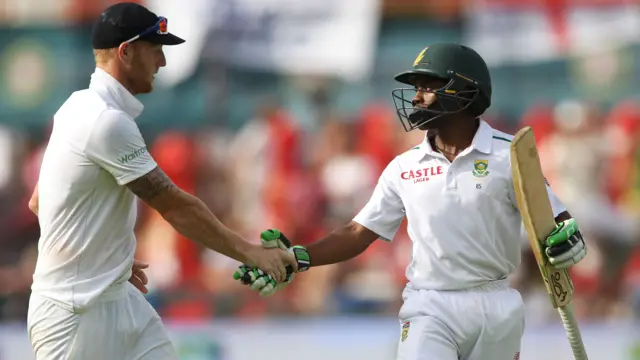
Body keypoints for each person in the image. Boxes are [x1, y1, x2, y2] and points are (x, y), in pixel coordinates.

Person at [234, 43, 587, 360]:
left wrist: (569, 240)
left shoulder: (509, 154)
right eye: (416, 89)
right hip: (430, 304)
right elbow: (359, 232)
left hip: (497, 304)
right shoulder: (403, 167)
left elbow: (556, 220)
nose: (416, 98)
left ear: (464, 90)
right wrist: (297, 258)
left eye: (428, 87)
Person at [26, 3, 296, 360]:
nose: (163, 62)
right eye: (156, 51)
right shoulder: (105, 121)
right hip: (72, 314)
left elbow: (39, 201)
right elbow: (174, 206)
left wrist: (107, 257)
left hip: (118, 300)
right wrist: (250, 253)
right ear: (126, 52)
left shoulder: (78, 108)